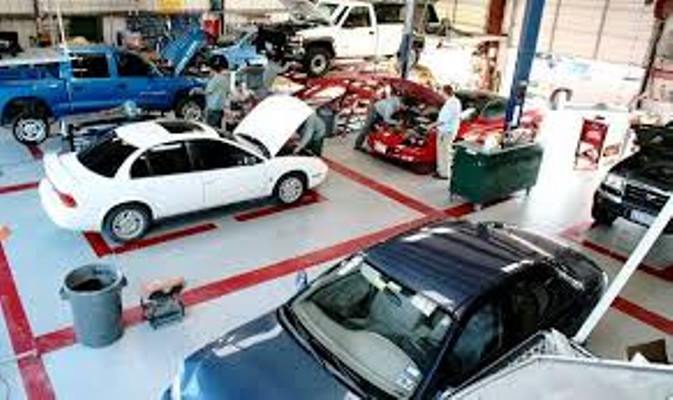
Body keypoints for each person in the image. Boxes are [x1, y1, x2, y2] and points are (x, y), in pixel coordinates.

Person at [354, 87, 404, 152]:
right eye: (403, 107)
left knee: (376, 129)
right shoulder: (391, 106)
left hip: (379, 112)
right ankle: (357, 145)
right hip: (374, 109)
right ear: (401, 104)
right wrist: (397, 123)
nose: (403, 109)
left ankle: (372, 145)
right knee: (367, 127)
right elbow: (386, 119)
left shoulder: (396, 103)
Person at [432, 84, 462, 179]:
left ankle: (444, 174)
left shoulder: (450, 104)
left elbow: (442, 120)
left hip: (446, 132)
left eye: (441, 91)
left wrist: (430, 126)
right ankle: (441, 171)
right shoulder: (455, 101)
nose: (440, 93)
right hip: (449, 130)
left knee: (443, 152)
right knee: (444, 152)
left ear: (445, 92)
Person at [204, 61, 232, 129]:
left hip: (212, 108)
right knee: (218, 127)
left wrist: (196, 91)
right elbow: (228, 92)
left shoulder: (214, 79)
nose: (208, 74)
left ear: (213, 70)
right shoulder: (225, 80)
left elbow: (208, 92)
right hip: (220, 108)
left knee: (210, 128)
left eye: (209, 72)